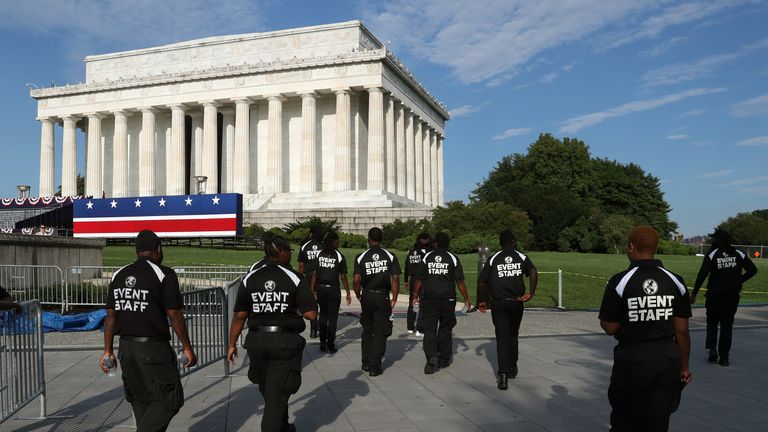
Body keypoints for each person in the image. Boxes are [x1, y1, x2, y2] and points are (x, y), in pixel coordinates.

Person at [100, 229, 197, 432]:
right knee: (170, 399)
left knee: (142, 400)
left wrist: (107, 351)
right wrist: (187, 347)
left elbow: (110, 316)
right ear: (158, 249)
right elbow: (174, 314)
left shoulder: (119, 275)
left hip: (126, 349)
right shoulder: (164, 274)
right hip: (153, 349)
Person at [599, 226, 692, 432]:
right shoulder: (675, 281)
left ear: (631, 247)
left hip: (633, 360)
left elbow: (610, 327)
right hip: (668, 359)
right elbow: (682, 331)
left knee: (625, 421)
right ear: (656, 247)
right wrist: (684, 367)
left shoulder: (620, 281)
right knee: (658, 422)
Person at [228, 232, 317, 432]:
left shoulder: (250, 277)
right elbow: (311, 314)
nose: (291, 255)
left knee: (270, 391)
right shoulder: (294, 277)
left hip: (256, 341)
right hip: (284, 342)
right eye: (290, 251)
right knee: (276, 396)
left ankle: (283, 424)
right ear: (282, 252)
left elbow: (240, 315)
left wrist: (232, 344)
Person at [477, 229, 537, 390]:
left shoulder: (494, 258)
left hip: (499, 303)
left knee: (502, 337)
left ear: (501, 243)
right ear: (513, 242)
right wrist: (531, 292)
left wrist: (482, 300)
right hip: (516, 302)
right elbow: (533, 271)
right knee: (513, 335)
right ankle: (513, 366)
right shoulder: (521, 257)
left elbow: (482, 281)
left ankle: (503, 374)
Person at [690, 228, 758, 366]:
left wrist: (694, 293)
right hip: (732, 295)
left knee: (712, 323)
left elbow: (702, 274)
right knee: (727, 326)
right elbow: (753, 270)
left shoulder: (712, 254)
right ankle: (725, 358)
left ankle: (713, 350)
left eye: (715, 238)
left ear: (719, 240)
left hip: (714, 295)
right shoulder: (738, 253)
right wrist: (739, 280)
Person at [412, 232, 471, 374]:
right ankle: (444, 359)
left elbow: (420, 278)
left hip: (430, 299)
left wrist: (415, 295)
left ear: (436, 243)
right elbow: (460, 281)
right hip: (448, 299)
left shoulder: (427, 257)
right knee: (445, 328)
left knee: (430, 329)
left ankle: (431, 357)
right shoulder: (453, 258)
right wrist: (467, 298)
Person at [353, 227, 401, 377]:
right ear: (381, 239)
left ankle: (365, 361)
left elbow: (356, 279)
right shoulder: (390, 256)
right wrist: (394, 297)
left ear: (368, 239)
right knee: (381, 330)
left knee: (367, 329)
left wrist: (358, 294)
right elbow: (395, 278)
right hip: (382, 296)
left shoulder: (361, 257)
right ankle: (375, 365)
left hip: (366, 295)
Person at [308, 231, 351, 354]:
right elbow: (343, 276)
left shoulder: (320, 254)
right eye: (337, 241)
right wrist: (348, 292)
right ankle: (330, 345)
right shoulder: (338, 256)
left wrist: (312, 289)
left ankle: (322, 343)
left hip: (321, 288)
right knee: (332, 318)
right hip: (333, 289)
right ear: (334, 242)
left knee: (323, 316)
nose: (338, 243)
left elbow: (314, 274)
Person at [298, 226, 324, 338]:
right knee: (323, 303)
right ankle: (322, 327)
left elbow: (301, 264)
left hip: (308, 277)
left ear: (311, 234)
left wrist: (299, 277)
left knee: (312, 303)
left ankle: (313, 330)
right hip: (322, 276)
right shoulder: (323, 247)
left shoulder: (305, 246)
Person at [404, 233, 431, 336]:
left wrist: (406, 280)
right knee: (422, 303)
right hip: (422, 279)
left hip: (412, 279)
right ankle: (420, 328)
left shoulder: (411, 251)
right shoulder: (426, 252)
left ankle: (410, 326)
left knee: (412, 302)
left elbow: (406, 266)